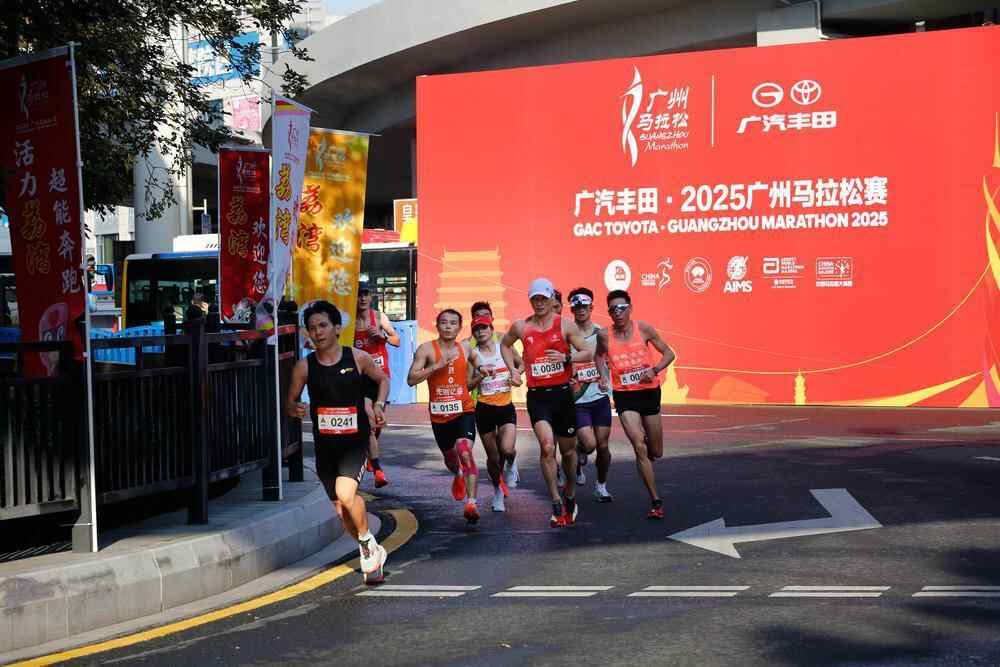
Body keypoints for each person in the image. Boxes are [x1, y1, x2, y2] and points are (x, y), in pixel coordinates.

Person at [286, 300, 390, 583]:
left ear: (337, 328)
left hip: (355, 442)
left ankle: (367, 544)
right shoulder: (304, 367)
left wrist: (378, 405)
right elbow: (290, 402)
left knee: (346, 494)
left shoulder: (357, 358)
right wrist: (295, 409)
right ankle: (371, 548)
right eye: (312, 328)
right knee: (342, 510)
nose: (317, 332)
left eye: (323, 325)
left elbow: (382, 379)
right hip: (326, 447)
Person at [501, 277, 592, 527]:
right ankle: (555, 501)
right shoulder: (522, 327)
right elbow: (505, 345)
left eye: (543, 298)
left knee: (569, 451)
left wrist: (567, 358)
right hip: (538, 396)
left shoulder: (565, 325)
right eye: (535, 299)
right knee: (547, 447)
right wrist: (513, 370)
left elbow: (588, 351)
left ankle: (570, 494)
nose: (539, 303)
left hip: (562, 395)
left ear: (552, 299)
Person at [596, 289, 676, 519]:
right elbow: (598, 356)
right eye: (613, 309)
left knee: (655, 451)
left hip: (649, 392)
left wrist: (655, 369)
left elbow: (669, 353)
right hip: (625, 396)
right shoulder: (604, 336)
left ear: (630, 308)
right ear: (609, 312)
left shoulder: (644, 329)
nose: (618, 312)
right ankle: (656, 501)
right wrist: (603, 376)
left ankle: (649, 448)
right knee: (639, 447)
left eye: (622, 308)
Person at [407, 309, 481, 524]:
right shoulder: (426, 349)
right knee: (451, 459)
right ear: (437, 326)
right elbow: (411, 379)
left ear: (460, 327)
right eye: (444, 322)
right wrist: (437, 365)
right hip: (440, 417)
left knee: (464, 450)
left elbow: (478, 362)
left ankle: (472, 503)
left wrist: (483, 368)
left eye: (453, 323)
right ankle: (457, 473)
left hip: (464, 410)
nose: (448, 326)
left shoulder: (465, 348)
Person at [465, 300, 520, 487]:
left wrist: (515, 375)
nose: (480, 331)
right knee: (493, 456)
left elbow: (520, 364)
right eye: (476, 329)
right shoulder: (472, 354)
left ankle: (512, 462)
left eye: (484, 327)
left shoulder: (504, 345)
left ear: (491, 327)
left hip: (505, 406)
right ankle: (498, 491)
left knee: (507, 449)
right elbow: (468, 385)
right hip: (484, 408)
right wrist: (481, 375)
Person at [567, 287, 613, 502]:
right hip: (578, 400)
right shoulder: (567, 334)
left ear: (591, 307)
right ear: (572, 309)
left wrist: (606, 379)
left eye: (584, 306)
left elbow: (610, 360)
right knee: (590, 444)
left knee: (603, 447)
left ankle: (601, 486)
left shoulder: (601, 334)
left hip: (600, 396)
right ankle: (579, 452)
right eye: (577, 306)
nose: (581, 309)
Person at [354, 284, 400, 488]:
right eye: (358, 295)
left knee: (377, 423)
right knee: (369, 421)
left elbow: (397, 340)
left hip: (380, 378)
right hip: (361, 378)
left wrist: (383, 337)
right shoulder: (349, 322)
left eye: (365, 294)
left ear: (371, 297)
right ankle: (378, 468)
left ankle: (371, 453)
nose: (362, 299)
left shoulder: (380, 318)